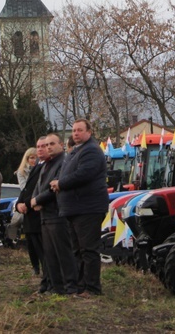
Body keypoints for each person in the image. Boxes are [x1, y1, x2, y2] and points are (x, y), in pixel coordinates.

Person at [50, 119, 109, 297]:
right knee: (78, 250)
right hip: (76, 208)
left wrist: (60, 183)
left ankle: (92, 288)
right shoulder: (77, 151)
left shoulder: (91, 150)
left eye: (79, 130)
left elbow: (83, 174)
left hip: (88, 208)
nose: (75, 133)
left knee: (88, 250)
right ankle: (81, 285)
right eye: (74, 130)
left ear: (89, 132)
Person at [32, 133, 78, 295]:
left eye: (52, 144)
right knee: (50, 254)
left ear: (61, 145)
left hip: (57, 213)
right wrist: (35, 199)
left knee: (63, 253)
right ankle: (56, 286)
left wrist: (37, 200)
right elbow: (40, 186)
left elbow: (55, 187)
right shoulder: (45, 164)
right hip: (46, 214)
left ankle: (70, 286)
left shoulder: (63, 162)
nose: (48, 147)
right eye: (47, 144)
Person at [16, 143, 47, 285]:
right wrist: (18, 204)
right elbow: (26, 189)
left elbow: (38, 190)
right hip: (27, 211)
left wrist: (26, 204)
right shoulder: (30, 170)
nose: (34, 159)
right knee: (31, 243)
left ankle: (46, 272)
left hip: (36, 211)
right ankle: (35, 267)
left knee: (41, 246)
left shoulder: (44, 168)